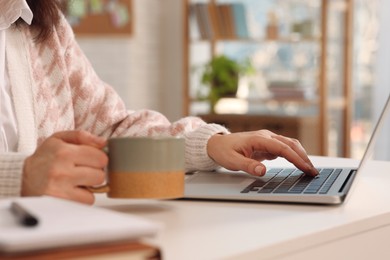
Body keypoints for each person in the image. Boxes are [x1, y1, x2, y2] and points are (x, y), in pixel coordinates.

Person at [0, 0, 318, 204]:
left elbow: (111, 128)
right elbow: (29, 174)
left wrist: (208, 145)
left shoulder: (43, 26)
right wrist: (21, 176)